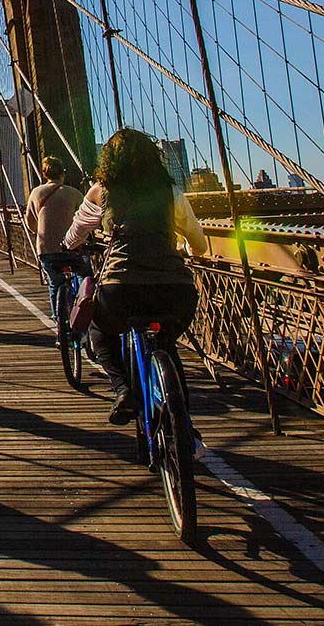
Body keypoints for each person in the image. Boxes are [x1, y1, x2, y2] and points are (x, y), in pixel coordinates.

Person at [63, 128, 211, 425]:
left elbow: (75, 234)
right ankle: (185, 426)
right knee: (166, 344)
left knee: (99, 333)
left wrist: (67, 245)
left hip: (122, 292)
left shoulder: (100, 191)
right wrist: (189, 248)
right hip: (175, 291)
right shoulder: (170, 192)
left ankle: (123, 390)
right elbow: (199, 243)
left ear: (109, 160)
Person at [23, 154, 87, 328]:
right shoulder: (74, 193)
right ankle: (83, 306)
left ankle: (59, 324)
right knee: (84, 275)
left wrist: (41, 231)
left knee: (55, 284)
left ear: (45, 174)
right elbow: (86, 219)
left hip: (46, 250)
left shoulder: (36, 193)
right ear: (63, 174)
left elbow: (29, 221)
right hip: (71, 249)